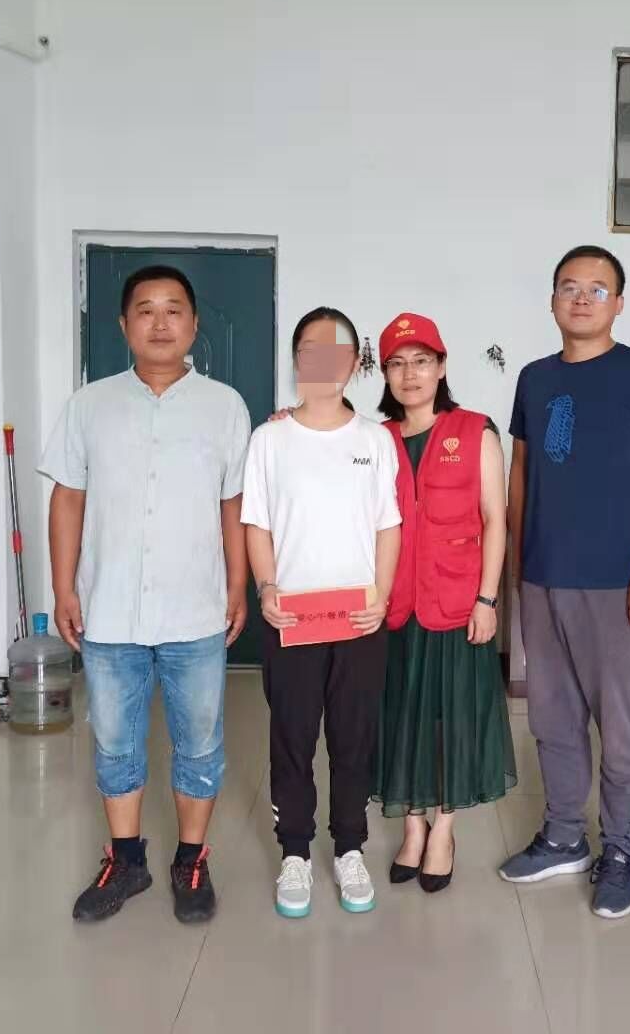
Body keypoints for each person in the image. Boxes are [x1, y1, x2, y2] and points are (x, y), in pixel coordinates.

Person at [41, 264, 251, 925]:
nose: (160, 322)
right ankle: (126, 860)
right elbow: (67, 498)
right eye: (145, 309)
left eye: (173, 309)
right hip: (108, 610)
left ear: (193, 323)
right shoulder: (89, 405)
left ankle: (192, 859)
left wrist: (238, 584)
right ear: (124, 324)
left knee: (200, 742)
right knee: (114, 743)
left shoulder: (225, 406)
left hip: (196, 608)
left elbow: (234, 503)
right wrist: (63, 587)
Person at [498, 245, 630, 920]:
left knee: (621, 727)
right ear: (552, 299)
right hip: (544, 576)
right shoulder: (534, 378)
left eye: (597, 289)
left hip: (616, 583)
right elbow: (523, 472)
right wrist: (518, 563)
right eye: (569, 287)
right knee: (552, 718)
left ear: (619, 303)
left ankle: (622, 850)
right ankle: (563, 836)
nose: (581, 298)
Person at [241, 307, 401, 919]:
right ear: (297, 359)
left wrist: (380, 595)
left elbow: (388, 525)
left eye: (337, 350)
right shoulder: (270, 439)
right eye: (311, 349)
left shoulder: (374, 440)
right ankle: (295, 853)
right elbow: (256, 522)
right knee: (292, 736)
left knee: (353, 738)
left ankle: (350, 848)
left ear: (354, 362)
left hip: (358, 619)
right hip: (294, 619)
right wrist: (266, 587)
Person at [371, 313, 517, 893]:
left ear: (441, 367)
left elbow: (495, 520)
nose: (410, 374)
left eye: (421, 361)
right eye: (397, 364)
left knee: (451, 715)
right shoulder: (374, 439)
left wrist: (487, 598)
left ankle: (444, 830)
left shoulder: (475, 431)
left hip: (456, 601)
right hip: (393, 604)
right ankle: (412, 826)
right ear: (384, 373)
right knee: (399, 714)